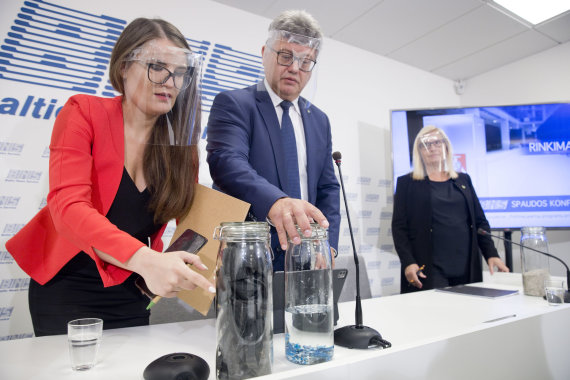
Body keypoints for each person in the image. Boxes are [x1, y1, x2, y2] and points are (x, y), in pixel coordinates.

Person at [6, 18, 215, 336]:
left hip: (132, 288)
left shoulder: (180, 146)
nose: (170, 82)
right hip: (68, 285)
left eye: (181, 73)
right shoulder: (83, 112)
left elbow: (191, 215)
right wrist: (145, 260)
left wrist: (217, 251)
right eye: (157, 67)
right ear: (123, 67)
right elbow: (68, 207)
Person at [206, 10, 340, 271]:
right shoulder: (235, 104)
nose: (294, 68)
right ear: (264, 52)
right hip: (249, 260)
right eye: (285, 56)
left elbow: (327, 189)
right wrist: (275, 203)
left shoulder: (319, 120)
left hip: (308, 259)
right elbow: (227, 163)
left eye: (305, 61)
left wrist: (329, 244)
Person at [391, 125, 509, 293]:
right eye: (426, 144)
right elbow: (399, 228)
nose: (432, 148)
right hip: (429, 267)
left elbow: (480, 222)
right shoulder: (407, 184)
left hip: (466, 265)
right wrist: (408, 262)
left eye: (437, 143)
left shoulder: (463, 180)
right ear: (419, 151)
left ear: (446, 147)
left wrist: (491, 254)